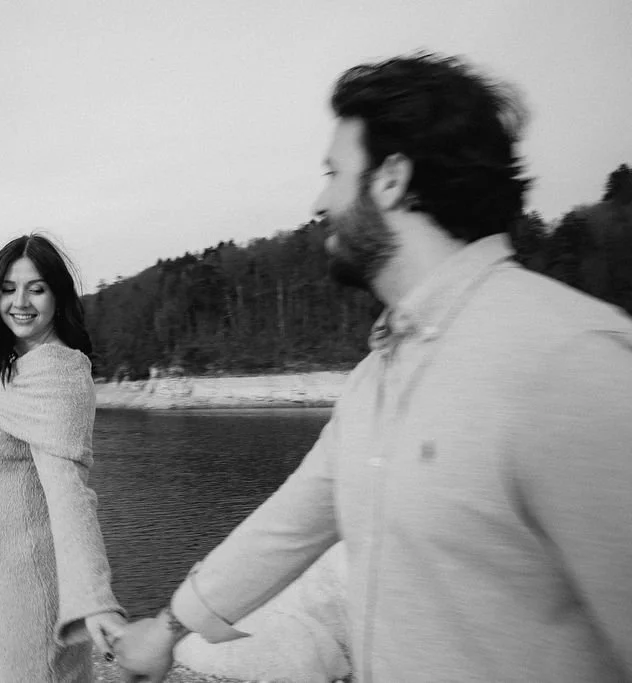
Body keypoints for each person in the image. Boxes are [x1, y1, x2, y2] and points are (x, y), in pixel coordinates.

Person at [112, 52, 632, 683]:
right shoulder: (376, 377)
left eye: (334, 172)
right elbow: (285, 527)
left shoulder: (571, 362)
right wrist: (168, 630)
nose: (321, 198)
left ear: (390, 177)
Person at [0, 233, 127, 682]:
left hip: (27, 590)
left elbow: (69, 493)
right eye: (8, 288)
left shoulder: (58, 374)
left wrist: (95, 599)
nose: (19, 301)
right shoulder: (24, 367)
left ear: (57, 296)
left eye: (36, 288)